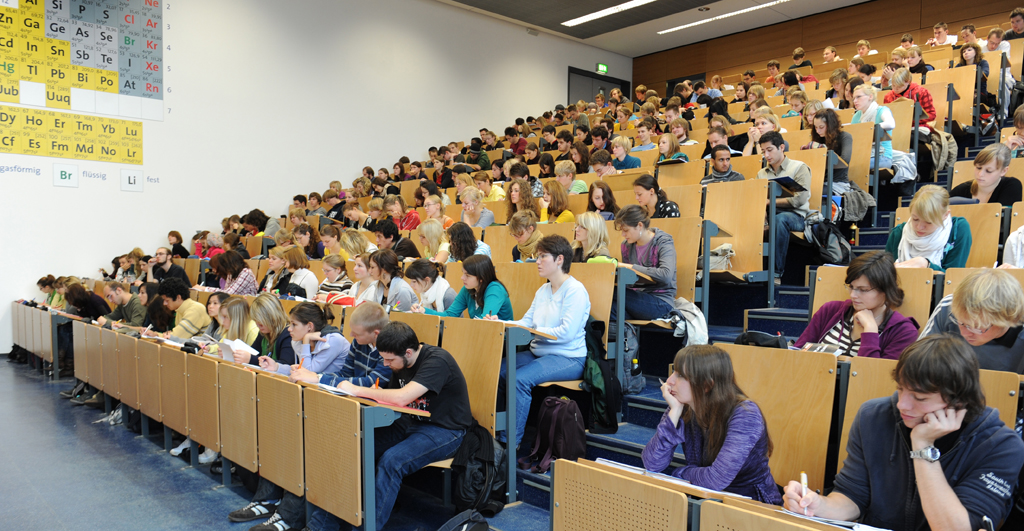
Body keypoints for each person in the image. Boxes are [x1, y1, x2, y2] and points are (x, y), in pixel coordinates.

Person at [783, 334, 1024, 531]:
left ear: (958, 401)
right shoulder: (873, 416)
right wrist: (817, 505)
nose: (902, 405)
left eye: (920, 397)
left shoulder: (1001, 446)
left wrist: (923, 447)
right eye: (900, 389)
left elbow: (956, 528)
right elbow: (852, 497)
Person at [328, 321, 473, 530]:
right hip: (410, 421)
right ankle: (322, 525)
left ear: (408, 352)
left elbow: (401, 397)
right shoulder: (400, 362)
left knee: (392, 461)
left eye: (389, 360)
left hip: (446, 430)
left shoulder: (437, 360)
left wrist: (356, 389)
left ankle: (368, 527)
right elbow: (392, 397)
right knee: (353, 446)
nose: (386, 364)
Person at [642, 345, 781, 503]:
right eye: (674, 371)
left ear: (706, 385)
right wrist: (673, 414)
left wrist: (680, 473)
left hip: (751, 505)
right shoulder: (682, 405)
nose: (669, 381)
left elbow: (715, 479)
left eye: (680, 375)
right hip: (704, 498)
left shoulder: (746, 414)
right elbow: (652, 464)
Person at [491, 235, 590, 446]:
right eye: (537, 256)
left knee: (519, 380)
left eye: (543, 256)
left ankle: (509, 444)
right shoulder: (543, 290)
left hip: (568, 357)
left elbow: (567, 333)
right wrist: (499, 322)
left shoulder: (575, 290)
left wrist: (534, 330)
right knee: (497, 371)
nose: (537, 261)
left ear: (560, 259)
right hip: (539, 352)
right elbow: (526, 322)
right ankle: (493, 432)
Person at [796, 251, 919, 358]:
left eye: (863, 290)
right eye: (851, 287)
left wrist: (870, 330)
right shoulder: (830, 310)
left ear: (886, 291)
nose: (853, 295)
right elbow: (797, 354)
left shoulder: (904, 331)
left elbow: (874, 374)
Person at [920, 269, 1024, 373]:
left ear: (1007, 320)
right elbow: (920, 361)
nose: (964, 334)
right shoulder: (948, 307)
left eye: (977, 327)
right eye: (961, 323)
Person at [611, 205, 677, 331]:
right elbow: (628, 281)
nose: (623, 234)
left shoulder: (663, 241)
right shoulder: (626, 245)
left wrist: (630, 267)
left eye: (626, 230)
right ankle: (629, 341)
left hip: (661, 302)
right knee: (607, 308)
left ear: (640, 225)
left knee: (612, 293)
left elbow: (666, 275)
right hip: (636, 301)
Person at [757, 131, 811, 283]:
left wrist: (770, 202)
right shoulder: (761, 174)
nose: (766, 155)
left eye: (769, 150)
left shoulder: (799, 167)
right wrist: (764, 220)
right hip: (769, 215)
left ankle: (775, 274)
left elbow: (799, 200)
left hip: (796, 215)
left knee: (780, 219)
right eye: (763, 151)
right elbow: (758, 200)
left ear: (781, 147)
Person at [885, 185, 972, 272]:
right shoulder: (898, 234)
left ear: (945, 215)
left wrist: (927, 265)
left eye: (928, 222)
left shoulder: (958, 229)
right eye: (915, 219)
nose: (919, 227)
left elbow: (953, 276)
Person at [259, 302, 346, 377]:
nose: (289, 329)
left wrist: (306, 340)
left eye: (294, 324)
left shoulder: (332, 340)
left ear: (309, 326)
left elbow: (307, 373)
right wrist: (276, 367)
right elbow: (299, 370)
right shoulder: (299, 341)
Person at [951, 143, 1022, 207]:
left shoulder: (1012, 185)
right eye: (978, 168)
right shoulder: (961, 190)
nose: (980, 174)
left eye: (989, 171)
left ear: (1003, 171)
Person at [805, 109, 853, 192]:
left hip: (838, 184)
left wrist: (824, 154)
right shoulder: (819, 140)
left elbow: (844, 161)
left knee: (811, 192)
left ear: (831, 125)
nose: (818, 131)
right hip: (821, 182)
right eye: (815, 127)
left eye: (821, 127)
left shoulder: (845, 137)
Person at [852, 84, 893, 170]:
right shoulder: (856, 116)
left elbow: (891, 124)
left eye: (858, 97)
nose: (855, 101)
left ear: (870, 97)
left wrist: (869, 128)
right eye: (854, 98)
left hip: (882, 156)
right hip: (863, 155)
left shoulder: (882, 110)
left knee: (852, 166)